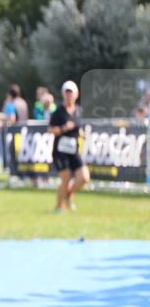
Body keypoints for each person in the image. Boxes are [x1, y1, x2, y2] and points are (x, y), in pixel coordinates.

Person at [49, 80, 89, 213]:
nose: (69, 95)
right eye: (66, 93)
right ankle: (58, 207)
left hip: (74, 149)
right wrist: (63, 128)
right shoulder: (58, 112)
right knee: (65, 177)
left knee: (84, 178)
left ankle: (68, 194)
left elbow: (79, 127)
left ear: (76, 94)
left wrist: (82, 133)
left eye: (71, 93)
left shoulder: (78, 111)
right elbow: (50, 130)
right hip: (60, 150)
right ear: (63, 94)